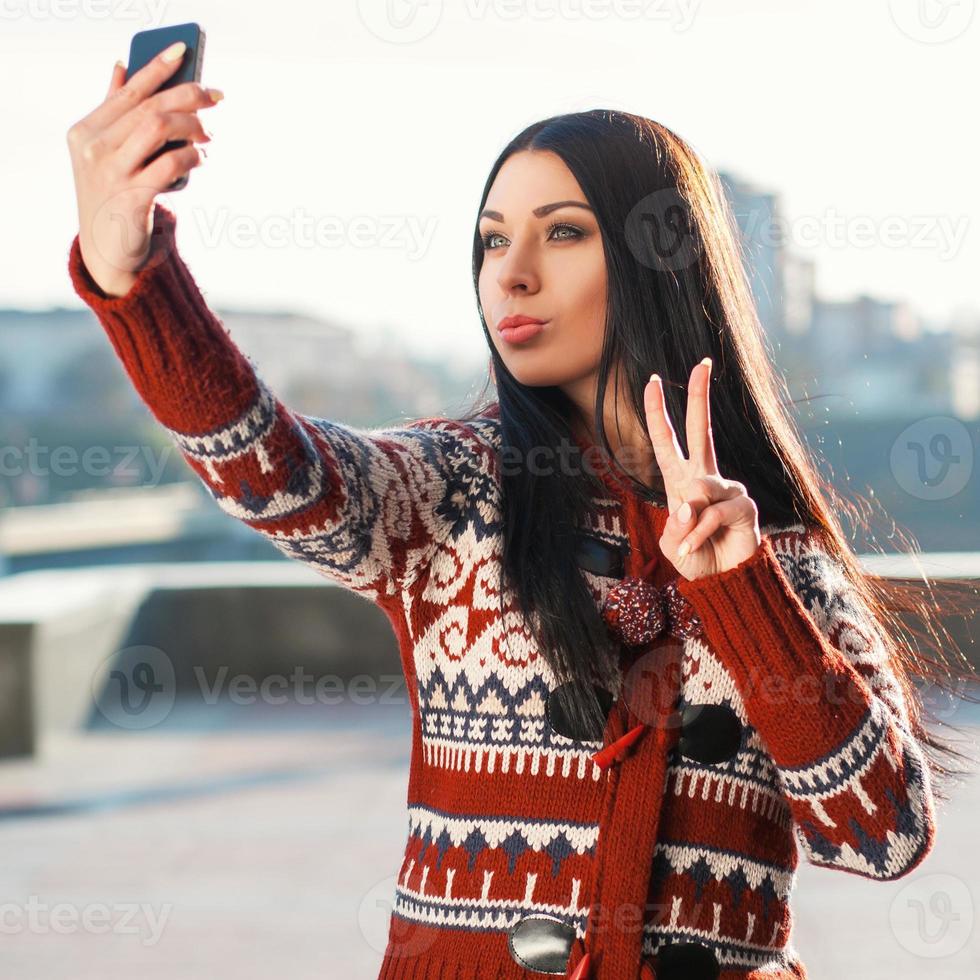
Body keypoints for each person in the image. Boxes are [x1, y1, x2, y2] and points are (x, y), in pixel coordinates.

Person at [65, 46, 979, 980]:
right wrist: (133, 277)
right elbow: (276, 473)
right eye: (493, 241)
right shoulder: (453, 493)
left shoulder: (779, 554)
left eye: (564, 232)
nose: (513, 273)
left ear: (660, 259)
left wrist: (744, 594)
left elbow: (882, 836)